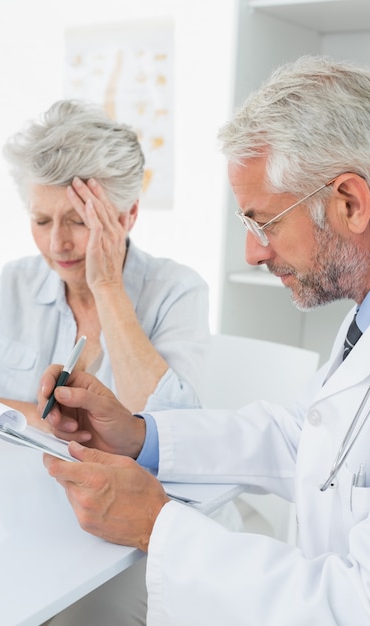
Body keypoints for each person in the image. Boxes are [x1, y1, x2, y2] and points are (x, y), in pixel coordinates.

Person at [41, 55, 370, 625]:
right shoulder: (359, 322)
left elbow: (352, 605)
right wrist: (140, 435)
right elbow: (301, 438)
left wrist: (157, 524)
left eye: (263, 221)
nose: (253, 253)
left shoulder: (174, 288)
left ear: (350, 203)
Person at [0, 100, 209, 428]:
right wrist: (34, 418)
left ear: (128, 214)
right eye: (42, 221)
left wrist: (108, 288)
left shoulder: (177, 291)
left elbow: (176, 430)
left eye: (79, 221)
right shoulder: (15, 283)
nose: (58, 243)